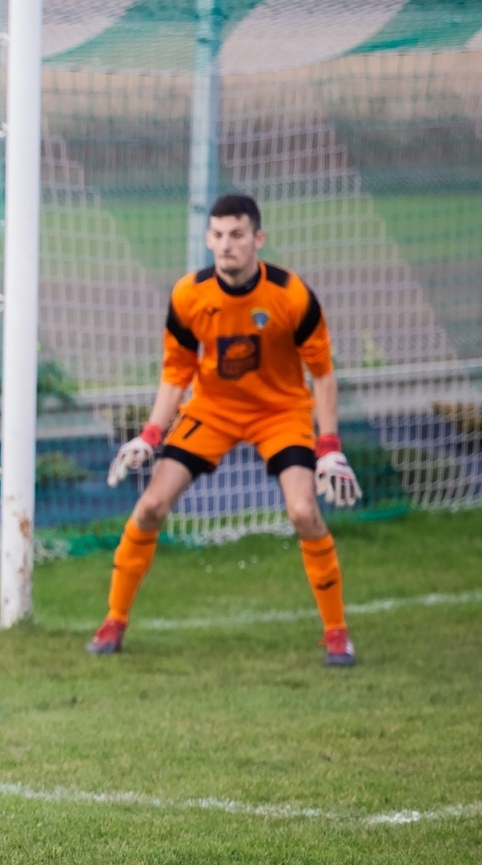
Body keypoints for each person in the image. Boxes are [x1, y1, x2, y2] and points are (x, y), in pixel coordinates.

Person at [88, 194, 362, 667]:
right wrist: (151, 434)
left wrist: (330, 446)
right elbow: (176, 373)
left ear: (258, 239)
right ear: (207, 238)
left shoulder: (291, 294)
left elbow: (322, 374)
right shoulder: (189, 295)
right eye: (217, 235)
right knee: (150, 505)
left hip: (280, 412)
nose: (226, 245)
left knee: (303, 512)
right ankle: (113, 620)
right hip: (212, 410)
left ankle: (337, 632)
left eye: (237, 234)